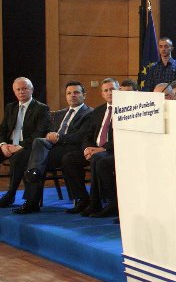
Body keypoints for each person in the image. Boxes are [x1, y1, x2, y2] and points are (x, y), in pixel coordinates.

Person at [14, 81, 93, 214]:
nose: (72, 95)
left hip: (72, 148)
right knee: (36, 147)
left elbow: (81, 136)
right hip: (53, 147)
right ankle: (33, 178)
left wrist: (59, 138)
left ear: (83, 95)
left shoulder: (89, 113)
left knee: (36, 159)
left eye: (76, 92)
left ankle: (32, 199)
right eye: (69, 93)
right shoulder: (60, 113)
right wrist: (49, 134)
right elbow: (49, 130)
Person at [61, 78, 119, 217]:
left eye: (112, 89)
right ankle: (82, 198)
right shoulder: (98, 111)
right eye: (106, 90)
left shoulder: (126, 110)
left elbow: (123, 136)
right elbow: (88, 134)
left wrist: (103, 149)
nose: (109, 93)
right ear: (102, 94)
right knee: (69, 159)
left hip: (112, 150)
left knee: (98, 159)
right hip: (95, 150)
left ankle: (104, 203)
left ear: (119, 91)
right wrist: (87, 149)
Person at [0, 77, 50, 207]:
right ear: (14, 92)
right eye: (18, 89)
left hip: (29, 146)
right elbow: (3, 129)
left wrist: (19, 146)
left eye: (24, 88)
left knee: (17, 158)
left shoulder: (41, 108)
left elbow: (39, 133)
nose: (21, 92)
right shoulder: (10, 107)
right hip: (10, 144)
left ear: (31, 90)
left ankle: (10, 194)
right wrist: (3, 144)